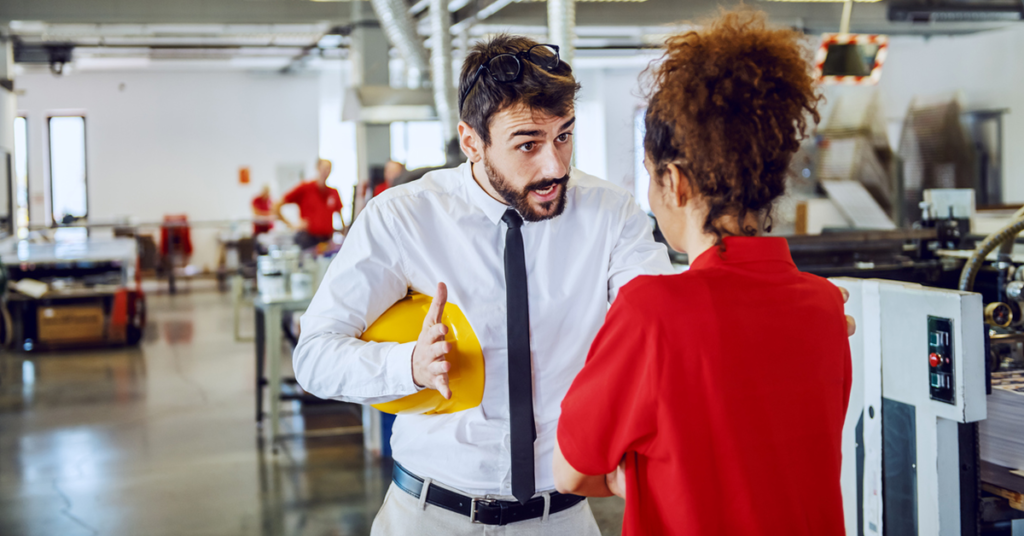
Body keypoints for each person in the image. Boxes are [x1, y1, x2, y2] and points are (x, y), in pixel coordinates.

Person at [293, 35, 674, 534]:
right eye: (528, 144)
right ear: (472, 141)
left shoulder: (609, 213)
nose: (554, 166)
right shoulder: (403, 217)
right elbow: (314, 357)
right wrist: (406, 364)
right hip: (431, 515)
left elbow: (662, 327)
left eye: (564, 136)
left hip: (561, 517)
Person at [552, 10, 852, 536]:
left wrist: (637, 478)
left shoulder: (652, 313)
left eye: (649, 175)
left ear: (676, 181)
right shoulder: (826, 306)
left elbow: (571, 471)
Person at [274, 158, 346, 250]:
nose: (326, 171)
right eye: (324, 168)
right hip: (308, 240)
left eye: (328, 168)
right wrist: (291, 225)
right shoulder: (305, 188)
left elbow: (340, 214)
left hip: (326, 240)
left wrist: (344, 232)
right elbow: (276, 206)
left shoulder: (333, 192)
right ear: (317, 168)